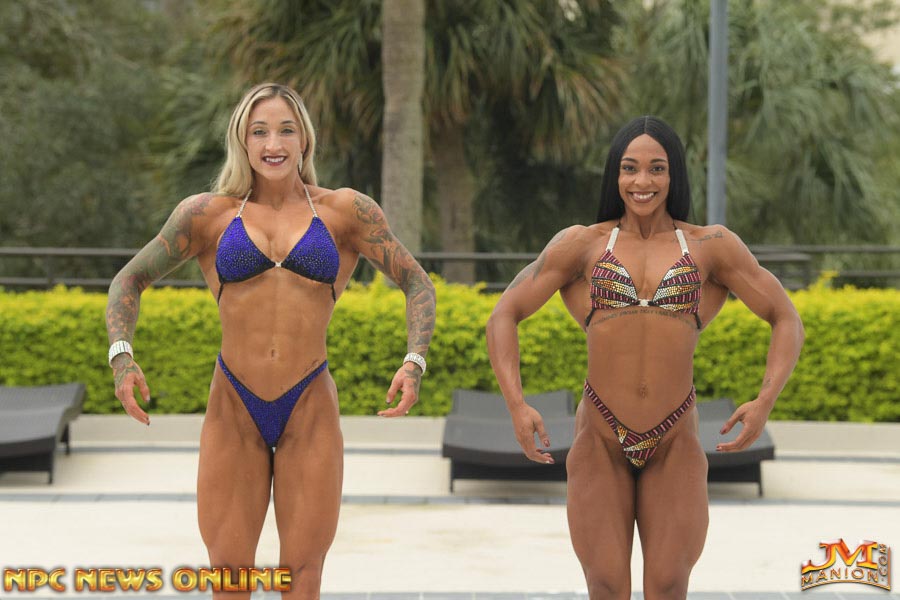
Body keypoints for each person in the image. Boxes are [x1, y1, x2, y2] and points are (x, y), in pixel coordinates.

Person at [105, 83, 436, 599]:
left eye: (286, 130)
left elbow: (416, 281)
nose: (273, 143)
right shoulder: (206, 214)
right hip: (234, 405)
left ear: (305, 139)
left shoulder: (346, 211)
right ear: (243, 140)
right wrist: (123, 359)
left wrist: (413, 362)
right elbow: (129, 280)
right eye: (259, 131)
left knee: (303, 578)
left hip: (310, 404)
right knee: (229, 579)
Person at [486, 116, 803, 599]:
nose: (642, 181)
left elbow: (785, 317)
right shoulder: (582, 243)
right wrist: (516, 404)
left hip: (674, 437)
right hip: (600, 435)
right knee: (606, 585)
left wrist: (765, 401)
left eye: (657, 168)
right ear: (615, 175)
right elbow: (504, 314)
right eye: (630, 168)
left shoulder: (711, 245)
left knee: (669, 586)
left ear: (674, 175)